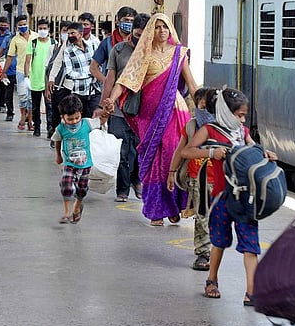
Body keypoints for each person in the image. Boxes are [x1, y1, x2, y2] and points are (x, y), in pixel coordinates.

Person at [180, 87, 277, 305]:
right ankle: (211, 279)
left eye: (244, 115)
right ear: (225, 111)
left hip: (244, 198)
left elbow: (253, 149)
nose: (243, 120)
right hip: (221, 197)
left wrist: (266, 155)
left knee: (250, 245)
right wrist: (211, 153)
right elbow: (188, 151)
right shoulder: (209, 130)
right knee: (219, 241)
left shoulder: (242, 133)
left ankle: (252, 291)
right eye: (239, 115)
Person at [105, 13, 198, 226]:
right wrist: (111, 100)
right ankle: (157, 210)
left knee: (173, 156)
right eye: (157, 27)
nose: (162, 31)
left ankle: (175, 207)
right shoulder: (143, 54)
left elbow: (191, 85)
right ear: (150, 32)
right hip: (149, 114)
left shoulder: (179, 54)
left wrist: (205, 110)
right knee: (154, 159)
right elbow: (125, 81)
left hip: (175, 111)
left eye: (165, 27)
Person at [93, 13, 149, 203]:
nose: (139, 39)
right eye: (137, 34)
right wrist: (104, 105)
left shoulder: (153, 52)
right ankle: (122, 189)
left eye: (144, 35)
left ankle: (137, 180)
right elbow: (110, 79)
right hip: (119, 110)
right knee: (122, 151)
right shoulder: (118, 50)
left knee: (139, 149)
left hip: (143, 111)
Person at [167, 87, 216, 270]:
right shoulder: (191, 126)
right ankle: (203, 252)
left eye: (208, 105)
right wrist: (172, 172)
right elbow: (181, 150)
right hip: (198, 178)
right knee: (202, 216)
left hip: (220, 180)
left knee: (216, 218)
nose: (204, 110)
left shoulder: (225, 127)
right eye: (201, 105)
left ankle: (213, 249)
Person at [52, 94, 112, 224]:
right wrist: (58, 156)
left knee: (82, 189)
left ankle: (77, 207)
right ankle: (67, 212)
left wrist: (106, 111)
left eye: (76, 118)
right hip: (69, 163)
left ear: (81, 114)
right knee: (66, 184)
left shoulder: (87, 123)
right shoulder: (61, 129)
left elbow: (102, 121)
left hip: (85, 165)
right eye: (70, 119)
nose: (74, 121)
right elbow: (57, 140)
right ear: (63, 117)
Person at [2, 14, 38, 130]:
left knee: (31, 98)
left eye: (24, 24)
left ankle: (30, 121)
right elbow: (10, 57)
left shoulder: (36, 37)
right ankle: (23, 116)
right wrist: (4, 72)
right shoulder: (15, 40)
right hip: (21, 71)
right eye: (20, 25)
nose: (23, 27)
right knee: (23, 97)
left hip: (35, 72)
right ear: (17, 27)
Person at [24, 19, 56, 137]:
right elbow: (28, 61)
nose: (43, 31)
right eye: (40, 28)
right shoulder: (33, 43)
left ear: (49, 30)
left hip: (48, 81)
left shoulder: (53, 43)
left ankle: (50, 128)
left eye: (45, 28)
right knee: (35, 106)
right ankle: (37, 127)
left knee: (50, 106)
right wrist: (26, 77)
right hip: (35, 80)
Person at [89, 6, 137, 82]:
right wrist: (107, 83)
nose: (129, 23)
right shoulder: (107, 43)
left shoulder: (137, 42)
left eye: (132, 21)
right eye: (126, 20)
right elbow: (93, 68)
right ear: (117, 22)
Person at [63, 22, 98, 118]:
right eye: (68, 34)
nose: (70, 36)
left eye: (73, 33)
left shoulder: (93, 46)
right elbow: (69, 72)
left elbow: (99, 63)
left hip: (94, 90)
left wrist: (97, 74)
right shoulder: (68, 51)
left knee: (94, 118)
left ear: (81, 34)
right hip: (79, 92)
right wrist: (88, 74)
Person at [46, 20, 73, 143]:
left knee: (71, 112)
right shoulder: (60, 46)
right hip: (59, 85)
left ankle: (67, 137)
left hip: (72, 85)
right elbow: (55, 64)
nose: (67, 34)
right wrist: (50, 80)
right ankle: (56, 137)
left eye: (69, 31)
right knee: (58, 112)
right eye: (64, 31)